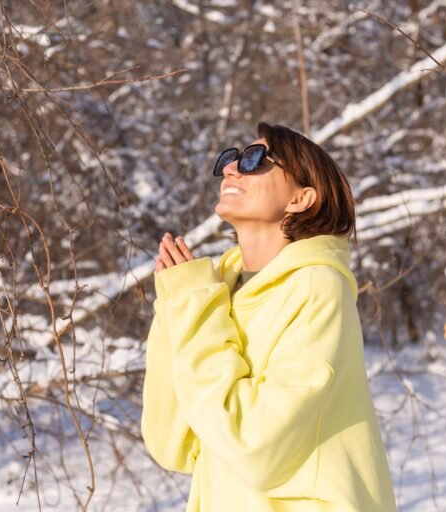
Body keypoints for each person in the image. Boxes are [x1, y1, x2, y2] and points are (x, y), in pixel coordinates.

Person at [141, 122, 396, 511]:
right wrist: (178, 306)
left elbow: (254, 447)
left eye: (254, 159)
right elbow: (174, 443)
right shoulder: (214, 293)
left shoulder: (315, 288)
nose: (231, 169)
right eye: (231, 159)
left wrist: (194, 311)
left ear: (302, 198)